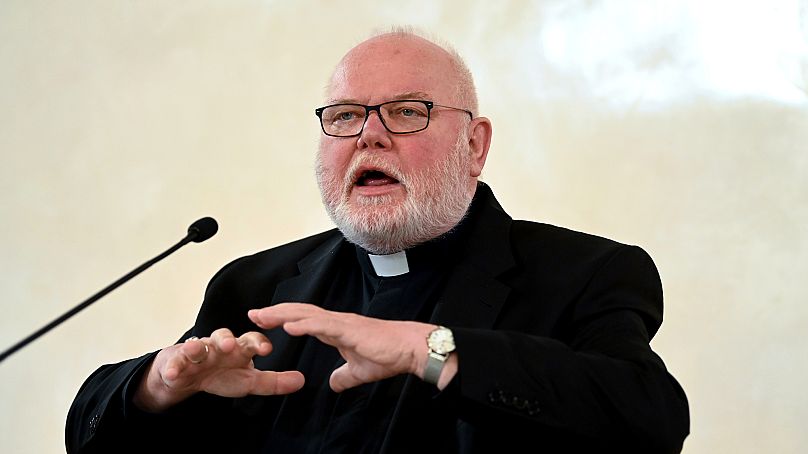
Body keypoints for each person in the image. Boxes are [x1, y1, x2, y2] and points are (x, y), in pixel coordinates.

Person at [65, 28, 690, 453]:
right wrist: (155, 388)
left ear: (474, 146)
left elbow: (649, 418)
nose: (368, 136)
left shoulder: (585, 273)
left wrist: (433, 349)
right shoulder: (254, 285)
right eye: (344, 116)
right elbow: (92, 433)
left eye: (407, 111)